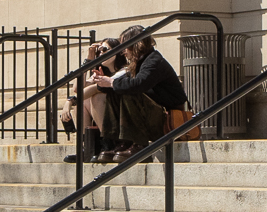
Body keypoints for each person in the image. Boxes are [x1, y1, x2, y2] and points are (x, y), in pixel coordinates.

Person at [89, 28, 188, 161]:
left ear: (135, 45)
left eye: (125, 46)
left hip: (168, 119)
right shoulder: (139, 62)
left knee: (129, 92)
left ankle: (140, 146)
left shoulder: (154, 61)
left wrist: (111, 82)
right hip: (153, 116)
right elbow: (123, 84)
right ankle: (120, 142)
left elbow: (139, 84)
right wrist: (103, 82)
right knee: (116, 91)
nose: (123, 51)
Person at [64, 39, 114, 164]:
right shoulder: (100, 72)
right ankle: (87, 148)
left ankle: (109, 144)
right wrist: (89, 60)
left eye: (105, 50)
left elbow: (95, 89)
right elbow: (77, 88)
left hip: (119, 115)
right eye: (99, 51)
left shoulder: (123, 70)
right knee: (83, 102)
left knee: (96, 96)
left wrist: (70, 101)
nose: (101, 53)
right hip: (105, 115)